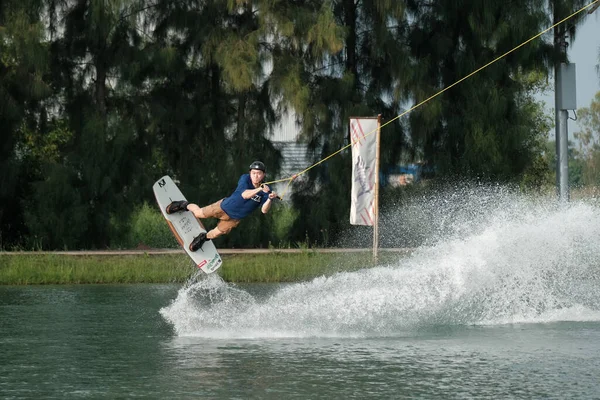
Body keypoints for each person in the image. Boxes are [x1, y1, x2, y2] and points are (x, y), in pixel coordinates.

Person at [166, 161, 278, 251]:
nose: (256, 176)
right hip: (223, 207)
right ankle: (183, 205)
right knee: (198, 213)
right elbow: (245, 195)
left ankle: (202, 238)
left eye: (259, 173)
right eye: (254, 173)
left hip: (235, 218)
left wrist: (269, 198)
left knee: (216, 233)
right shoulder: (245, 179)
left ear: (263, 175)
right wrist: (259, 189)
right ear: (250, 173)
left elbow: (264, 210)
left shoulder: (267, 191)